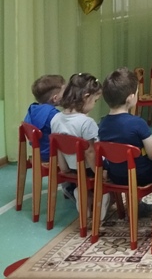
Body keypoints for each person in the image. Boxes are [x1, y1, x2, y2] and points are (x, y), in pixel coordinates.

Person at [97, 67, 152, 217]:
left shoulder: (102, 124)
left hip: (116, 175)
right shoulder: (138, 123)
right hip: (141, 176)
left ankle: (138, 206)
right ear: (130, 98)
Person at [50, 72, 108, 218]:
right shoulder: (86, 123)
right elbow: (90, 152)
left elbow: (57, 147)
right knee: (114, 173)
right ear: (86, 97)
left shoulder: (56, 119)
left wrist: (64, 169)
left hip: (72, 168)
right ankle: (100, 199)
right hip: (89, 169)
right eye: (95, 101)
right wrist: (99, 172)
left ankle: (82, 195)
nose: (94, 105)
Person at [23, 74, 66, 162]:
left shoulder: (32, 109)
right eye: (65, 92)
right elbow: (67, 134)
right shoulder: (53, 114)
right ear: (55, 98)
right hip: (51, 155)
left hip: (38, 153)